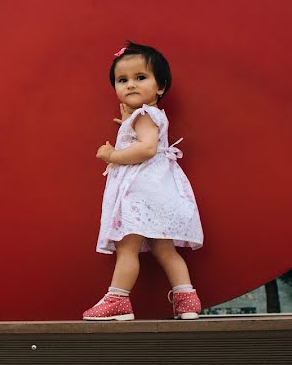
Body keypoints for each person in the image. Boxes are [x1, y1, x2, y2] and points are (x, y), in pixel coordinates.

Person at [82, 42, 203, 321]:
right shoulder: (147, 115)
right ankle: (187, 300)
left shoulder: (145, 115)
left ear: (160, 86)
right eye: (122, 80)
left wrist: (112, 153)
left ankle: (118, 299)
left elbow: (146, 149)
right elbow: (145, 138)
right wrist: (126, 122)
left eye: (140, 78)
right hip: (158, 190)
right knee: (164, 247)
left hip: (141, 192)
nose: (131, 85)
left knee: (127, 245)